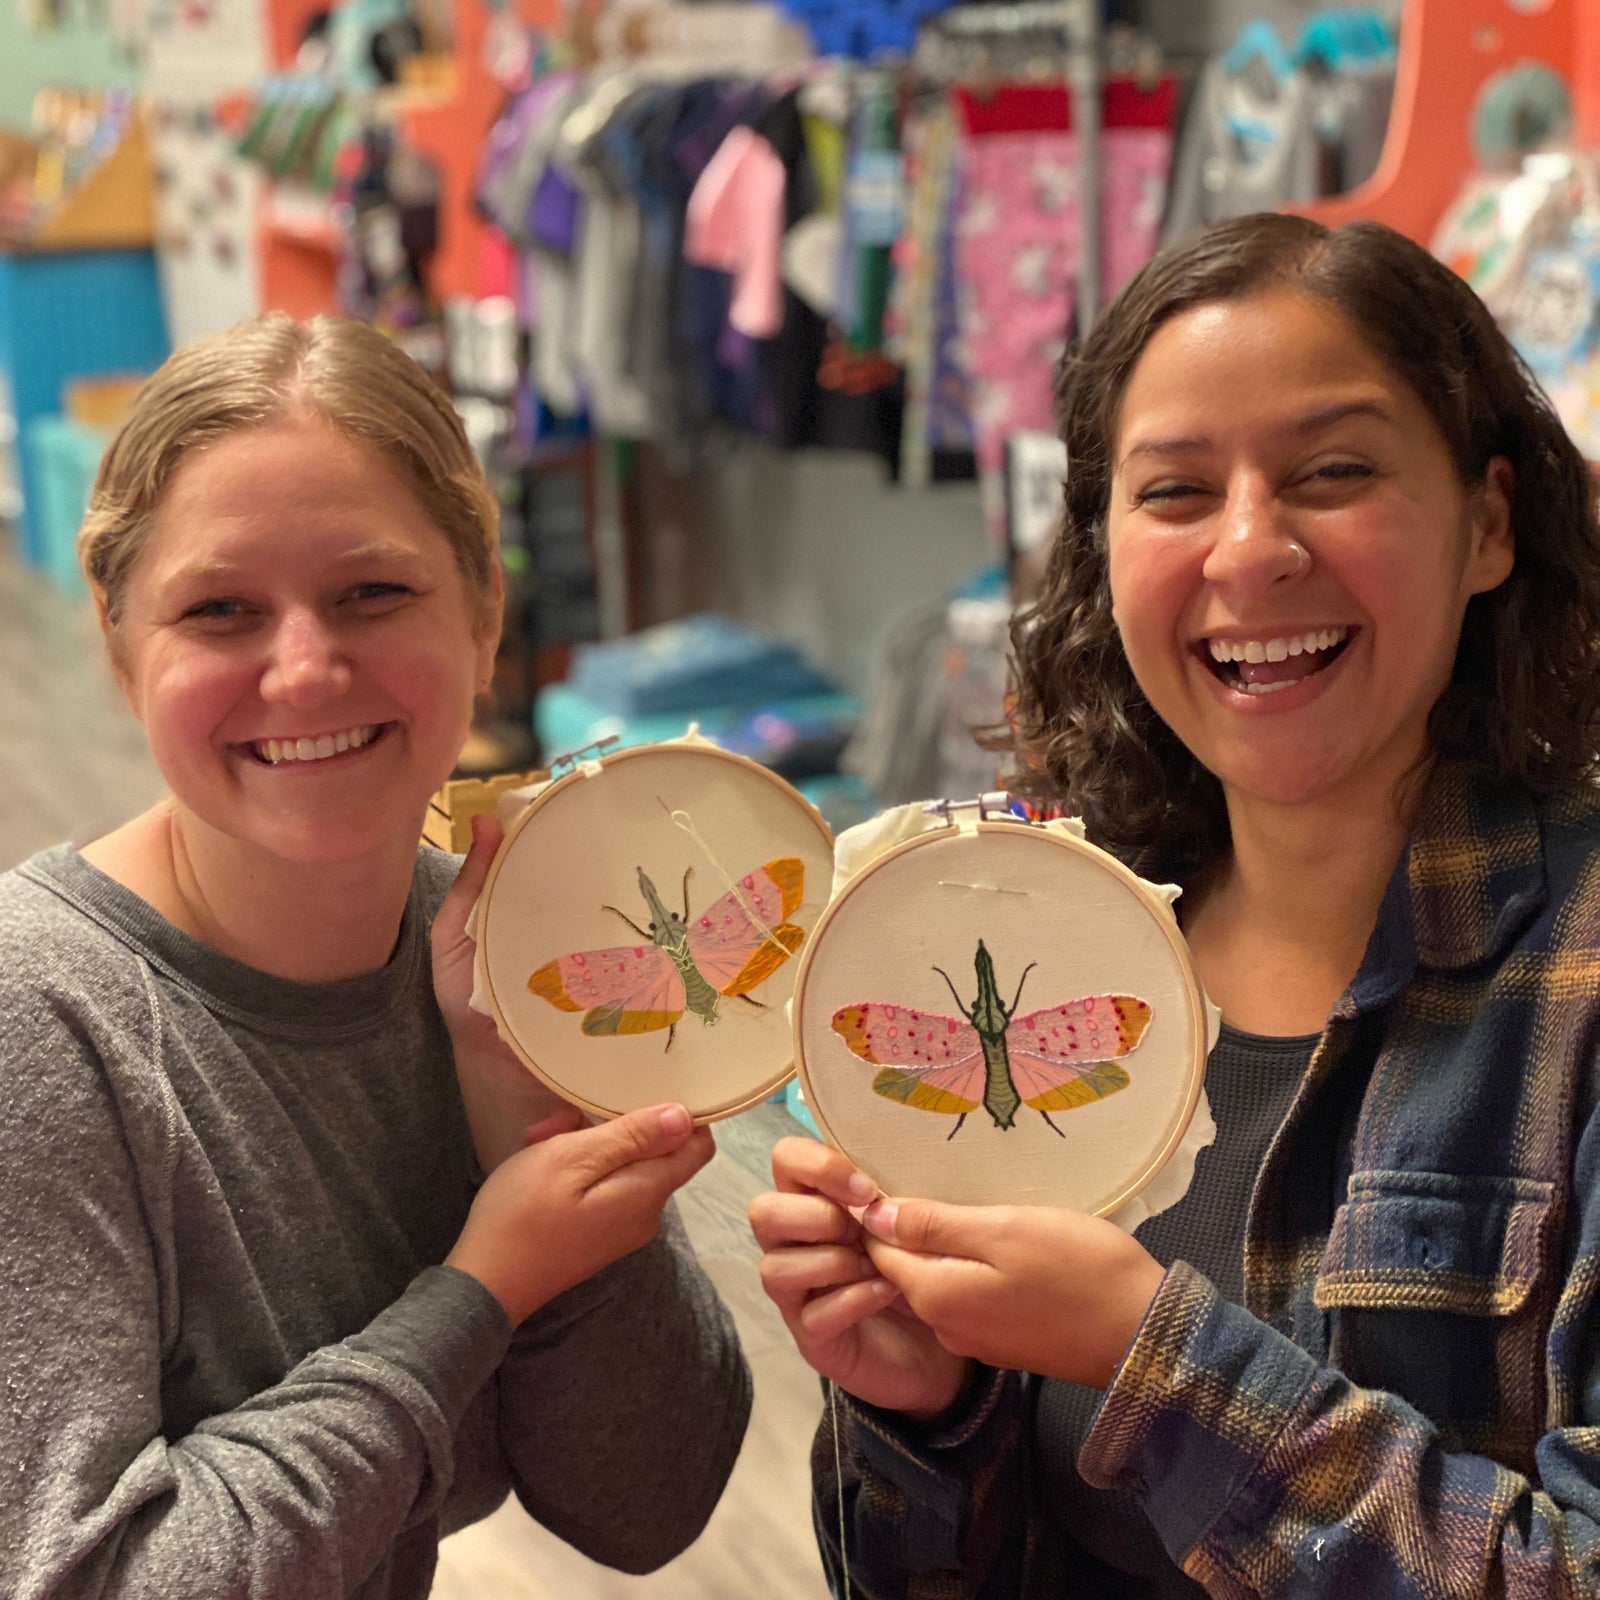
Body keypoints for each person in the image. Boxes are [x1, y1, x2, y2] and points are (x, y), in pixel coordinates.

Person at [749, 212, 1600, 1596]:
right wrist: (928, 1415)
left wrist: (1159, 1364)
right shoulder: (1049, 938)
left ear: (1490, 521)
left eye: (1334, 471)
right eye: (1175, 492)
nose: (1251, 551)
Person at [0, 312, 751, 1598]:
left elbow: (648, 1505)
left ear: (483, 617)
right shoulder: (44, 1020)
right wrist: (479, 1290)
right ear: (125, 651)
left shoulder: (501, 959)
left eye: (373, 592)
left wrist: (533, 1137)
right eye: (221, 609)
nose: (305, 669)